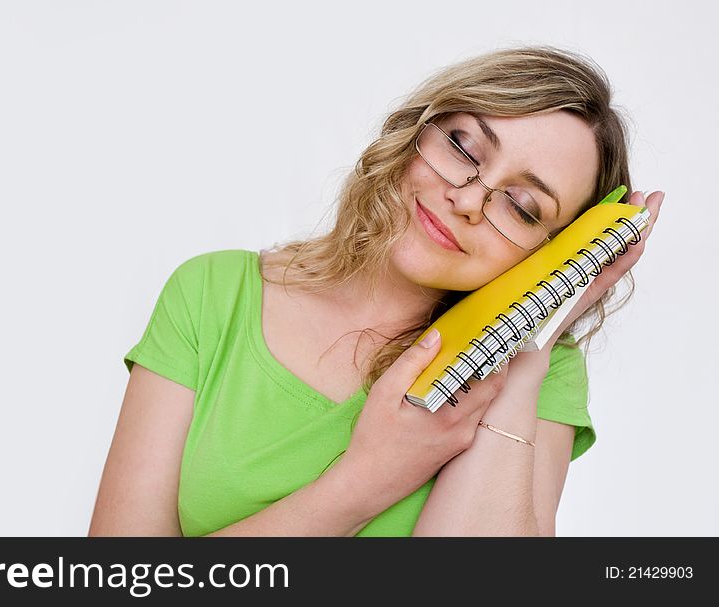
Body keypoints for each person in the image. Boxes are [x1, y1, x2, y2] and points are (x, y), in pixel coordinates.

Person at [88, 45, 664, 537]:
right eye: (464, 148)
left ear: (551, 251)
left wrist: (532, 337)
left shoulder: (541, 374)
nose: (466, 200)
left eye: (522, 206)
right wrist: (367, 478)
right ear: (417, 132)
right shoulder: (215, 294)